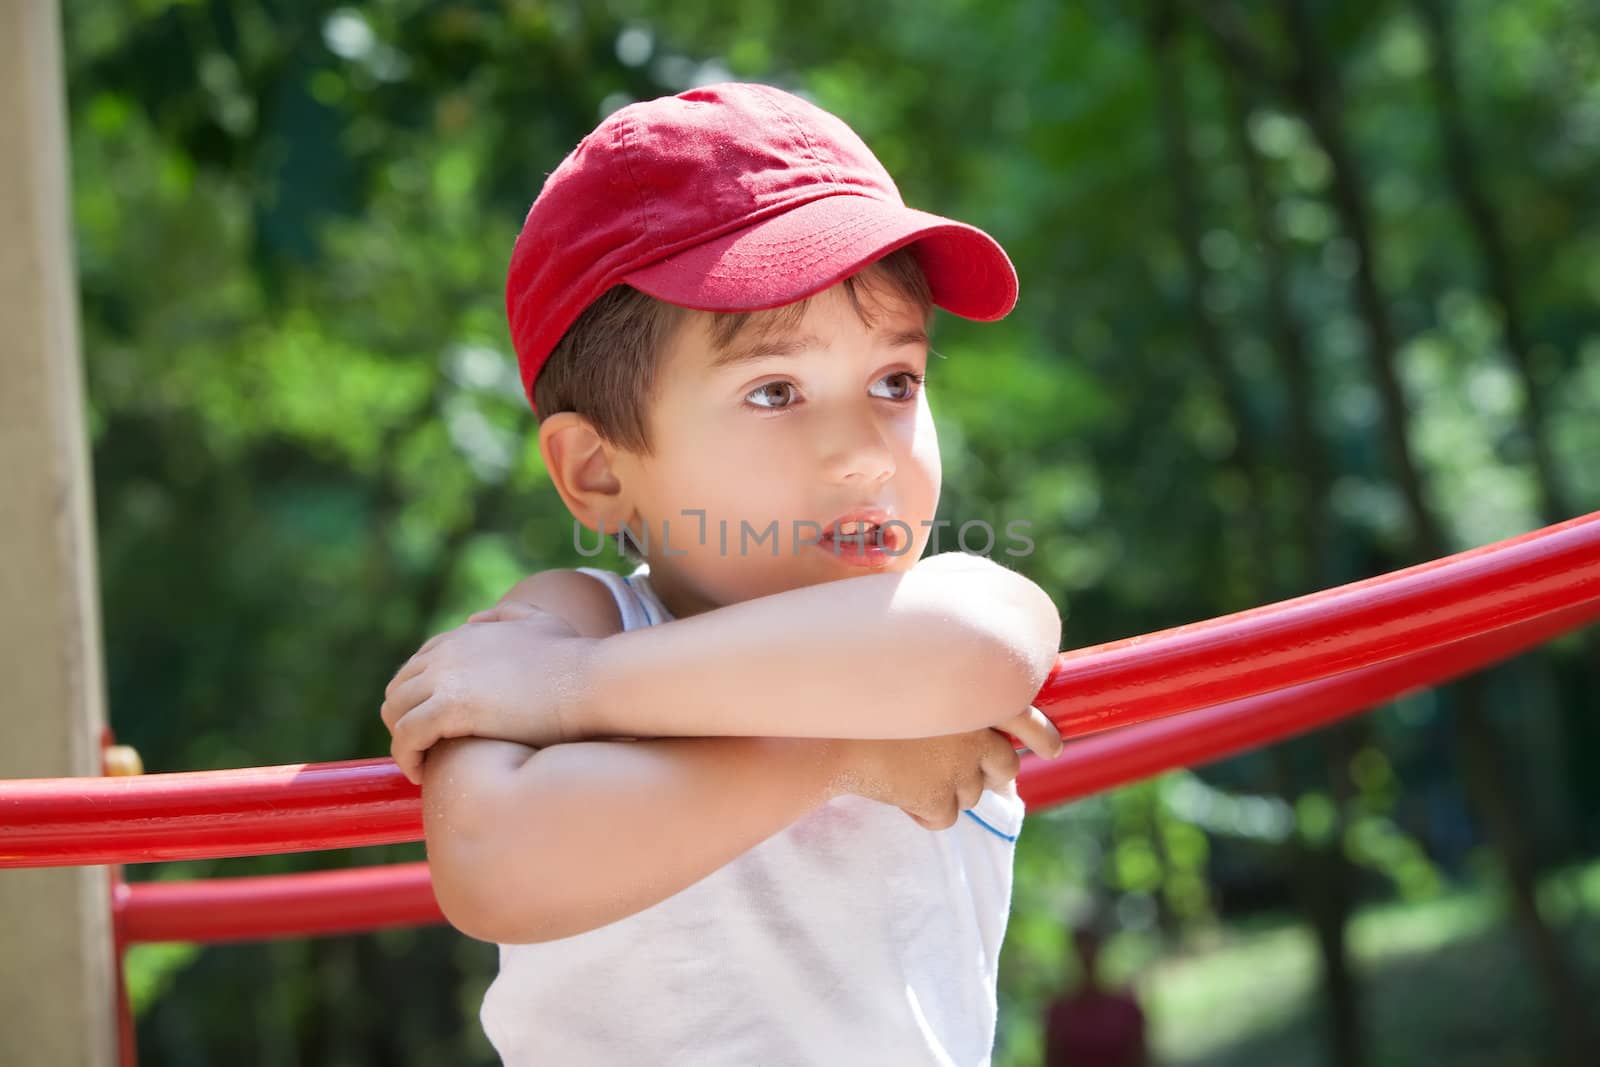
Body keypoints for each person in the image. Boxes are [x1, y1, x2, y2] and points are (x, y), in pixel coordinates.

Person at [379, 81, 1065, 1065]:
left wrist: (571, 697)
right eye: (776, 389)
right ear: (599, 467)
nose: (864, 452)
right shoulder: (575, 619)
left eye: (894, 382)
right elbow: (489, 863)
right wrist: (842, 755)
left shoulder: (932, 613)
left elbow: (984, 644)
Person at [1043, 924, 1149, 1067]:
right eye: (1082, 951)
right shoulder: (1059, 1012)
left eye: (1091, 949)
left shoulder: (1126, 1010)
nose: (1087, 957)